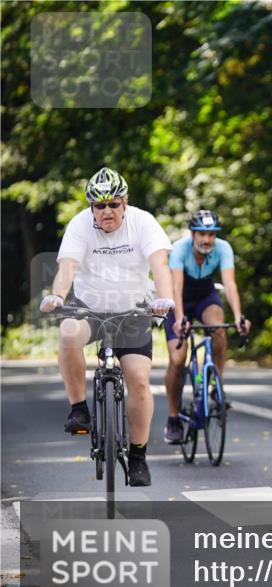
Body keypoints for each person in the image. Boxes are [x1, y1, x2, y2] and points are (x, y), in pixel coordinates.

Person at [38, 167, 174, 487]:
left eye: (113, 204)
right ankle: (78, 409)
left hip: (133, 310)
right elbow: (68, 267)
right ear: (91, 208)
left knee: (139, 381)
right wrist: (58, 296)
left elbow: (160, 263)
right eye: (99, 206)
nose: (107, 211)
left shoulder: (143, 222)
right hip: (91, 307)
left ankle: (138, 457)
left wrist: (164, 298)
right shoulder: (80, 226)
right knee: (68, 332)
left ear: (125, 202)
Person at [162, 210, 251, 443]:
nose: (207, 240)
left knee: (219, 329)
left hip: (205, 297)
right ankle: (173, 418)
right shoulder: (179, 249)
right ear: (192, 234)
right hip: (179, 298)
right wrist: (180, 318)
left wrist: (240, 316)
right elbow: (176, 286)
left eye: (211, 235)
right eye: (202, 234)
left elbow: (230, 285)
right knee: (178, 359)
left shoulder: (223, 248)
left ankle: (214, 383)